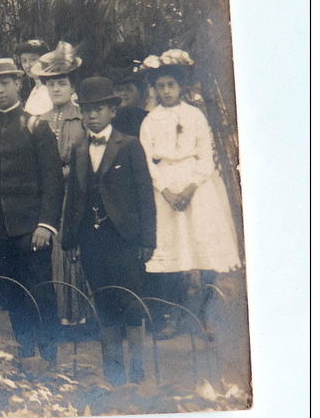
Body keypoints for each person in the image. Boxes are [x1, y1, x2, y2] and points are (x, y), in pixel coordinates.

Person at [0, 57, 63, 368]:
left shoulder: (37, 127)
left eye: (4, 83)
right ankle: (25, 351)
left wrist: (46, 224)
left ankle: (49, 354)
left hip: (32, 229)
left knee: (40, 292)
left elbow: (52, 182)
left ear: (17, 84)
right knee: (11, 293)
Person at [62, 77, 156, 385]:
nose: (92, 116)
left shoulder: (128, 145)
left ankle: (139, 373)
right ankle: (114, 374)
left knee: (131, 302)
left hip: (124, 238)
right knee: (104, 303)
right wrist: (70, 239)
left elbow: (145, 194)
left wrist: (147, 239)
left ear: (112, 111)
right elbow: (73, 196)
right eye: (87, 110)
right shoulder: (78, 150)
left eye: (99, 109)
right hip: (91, 239)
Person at [139, 51, 241, 335]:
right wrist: (167, 191)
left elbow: (206, 156)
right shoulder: (150, 120)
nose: (166, 91)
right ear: (155, 89)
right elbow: (148, 160)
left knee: (203, 252)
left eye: (171, 85)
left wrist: (192, 187)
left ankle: (206, 316)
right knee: (172, 254)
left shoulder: (195, 116)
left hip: (197, 189)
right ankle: (176, 317)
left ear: (181, 87)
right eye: (161, 86)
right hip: (166, 191)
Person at [38, 48, 89, 326]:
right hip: (49, 197)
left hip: (75, 194)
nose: (56, 89)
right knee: (53, 250)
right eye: (51, 83)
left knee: (74, 250)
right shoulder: (39, 121)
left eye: (62, 83)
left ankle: (81, 314)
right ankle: (60, 315)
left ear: (72, 87)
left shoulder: (82, 119)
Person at [13, 39, 52, 116]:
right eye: (24, 61)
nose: (28, 65)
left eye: (33, 59)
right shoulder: (35, 89)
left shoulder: (51, 89)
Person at [111, 72, 149, 138]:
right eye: (119, 90)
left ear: (138, 93)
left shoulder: (147, 118)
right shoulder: (108, 118)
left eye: (129, 89)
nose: (123, 93)